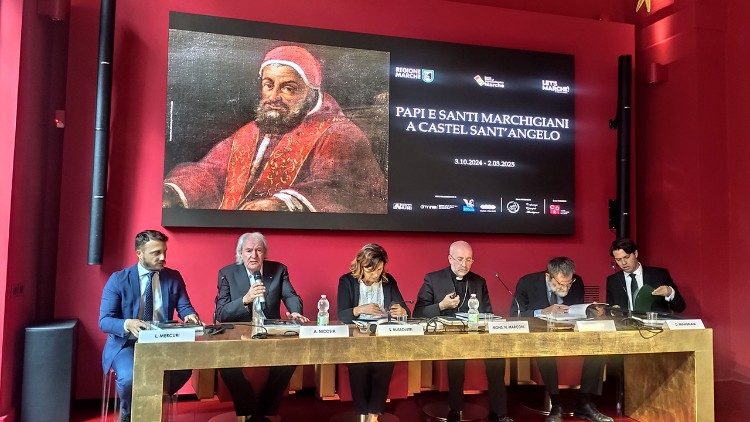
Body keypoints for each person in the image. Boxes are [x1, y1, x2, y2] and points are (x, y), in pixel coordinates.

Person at [163, 44, 387, 213]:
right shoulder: (250, 132)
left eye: (288, 88)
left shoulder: (339, 133)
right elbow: (212, 170)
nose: (274, 97)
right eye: (268, 85)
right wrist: (174, 191)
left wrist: (281, 204)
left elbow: (345, 190)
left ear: (311, 92)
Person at [99, 230, 200, 422]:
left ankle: (154, 405)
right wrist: (127, 323)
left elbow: (185, 308)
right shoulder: (118, 280)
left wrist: (191, 317)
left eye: (164, 252)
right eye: (156, 253)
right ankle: (128, 415)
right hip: (127, 345)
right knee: (130, 379)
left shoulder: (173, 277)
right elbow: (104, 321)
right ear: (139, 253)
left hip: (163, 343)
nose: (163, 257)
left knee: (184, 368)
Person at [413, 241, 513, 422]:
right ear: (450, 258)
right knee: (456, 358)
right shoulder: (433, 279)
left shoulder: (479, 281)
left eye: (468, 260)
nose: (464, 264)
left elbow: (487, 312)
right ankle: (455, 409)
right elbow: (418, 312)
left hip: (476, 335)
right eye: (459, 259)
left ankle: (500, 413)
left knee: (497, 356)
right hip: (446, 337)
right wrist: (441, 305)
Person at [214, 232, 309, 421]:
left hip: (270, 331)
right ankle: (252, 411)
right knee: (225, 362)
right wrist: (245, 299)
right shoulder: (227, 273)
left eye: (258, 250)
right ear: (240, 253)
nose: (254, 255)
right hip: (238, 332)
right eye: (248, 250)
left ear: (265, 253)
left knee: (290, 357)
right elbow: (221, 313)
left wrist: (295, 311)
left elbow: (291, 296)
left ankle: (263, 411)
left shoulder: (278, 270)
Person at [511, 257, 613, 422]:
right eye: (560, 284)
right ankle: (556, 403)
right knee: (546, 348)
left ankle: (584, 402)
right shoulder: (527, 283)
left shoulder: (577, 282)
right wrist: (542, 311)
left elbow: (576, 310)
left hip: (570, 334)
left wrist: (592, 311)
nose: (565, 287)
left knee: (598, 346)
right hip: (541, 335)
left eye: (568, 283)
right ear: (548, 276)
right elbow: (515, 314)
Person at [337, 243, 410, 422]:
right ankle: (362, 412)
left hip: (383, 335)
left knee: (384, 364)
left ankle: (373, 415)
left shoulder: (388, 280)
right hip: (357, 335)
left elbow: (405, 310)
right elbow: (342, 314)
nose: (376, 274)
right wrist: (362, 308)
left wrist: (402, 312)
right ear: (361, 265)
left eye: (379, 269)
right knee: (359, 366)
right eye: (371, 270)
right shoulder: (346, 281)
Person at [606, 238, 686, 314]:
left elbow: (680, 308)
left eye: (626, 257)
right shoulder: (613, 281)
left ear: (636, 253)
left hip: (656, 327)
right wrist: (612, 311)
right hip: (627, 327)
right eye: (618, 260)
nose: (623, 263)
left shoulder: (659, 275)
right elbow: (609, 311)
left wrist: (670, 292)